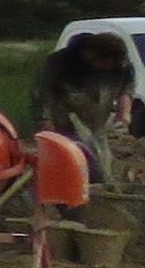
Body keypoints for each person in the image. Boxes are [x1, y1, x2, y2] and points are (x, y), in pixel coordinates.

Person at [33, 32, 135, 186]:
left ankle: (99, 193)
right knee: (75, 166)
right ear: (92, 56)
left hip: (96, 123)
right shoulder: (58, 64)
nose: (109, 70)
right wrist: (49, 130)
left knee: (101, 167)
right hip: (63, 124)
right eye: (107, 64)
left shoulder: (120, 65)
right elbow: (42, 99)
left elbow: (125, 91)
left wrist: (124, 114)